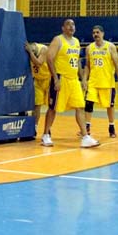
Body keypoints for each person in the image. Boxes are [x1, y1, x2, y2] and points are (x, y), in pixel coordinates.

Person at [42, 18, 99, 148]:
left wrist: (82, 78)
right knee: (53, 108)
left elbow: (77, 60)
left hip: (73, 80)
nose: (71, 26)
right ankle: (46, 135)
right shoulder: (58, 40)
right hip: (61, 79)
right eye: (68, 24)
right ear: (63, 28)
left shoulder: (77, 42)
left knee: (79, 107)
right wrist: (55, 78)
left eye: (73, 24)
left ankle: (85, 137)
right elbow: (49, 58)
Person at [82, 25, 118, 138]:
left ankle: (111, 126)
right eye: (94, 33)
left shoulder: (110, 47)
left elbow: (116, 65)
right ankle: (87, 127)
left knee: (109, 106)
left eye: (98, 32)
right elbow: (87, 66)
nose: (96, 35)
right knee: (88, 104)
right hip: (93, 82)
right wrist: (85, 80)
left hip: (107, 82)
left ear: (103, 34)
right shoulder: (89, 48)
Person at [25, 41, 51, 137]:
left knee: (51, 106)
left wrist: (31, 53)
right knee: (37, 105)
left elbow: (39, 63)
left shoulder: (43, 49)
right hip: (37, 80)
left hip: (48, 79)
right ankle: (34, 127)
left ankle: (48, 128)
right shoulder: (29, 52)